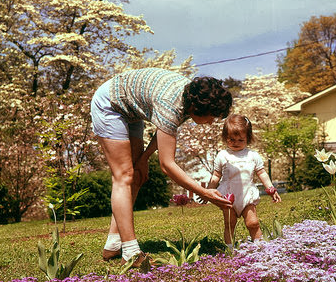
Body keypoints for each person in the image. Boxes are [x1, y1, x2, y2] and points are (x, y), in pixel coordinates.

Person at [90, 67, 233, 267]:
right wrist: (204, 192)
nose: (211, 122)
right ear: (198, 108)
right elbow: (167, 165)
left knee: (137, 174)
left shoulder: (189, 99)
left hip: (132, 111)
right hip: (110, 104)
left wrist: (144, 158)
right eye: (211, 116)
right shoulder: (171, 105)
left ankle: (113, 244)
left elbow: (165, 130)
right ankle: (130, 252)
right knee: (124, 175)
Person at [207, 114, 281, 248]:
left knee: (253, 223)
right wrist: (208, 192)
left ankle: (260, 248)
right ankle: (230, 250)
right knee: (230, 224)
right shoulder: (222, 156)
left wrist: (271, 189)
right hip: (228, 197)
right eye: (231, 139)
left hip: (247, 196)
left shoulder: (252, 156)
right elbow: (216, 176)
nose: (236, 142)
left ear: (248, 138)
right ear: (225, 137)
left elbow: (262, 173)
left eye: (240, 140)